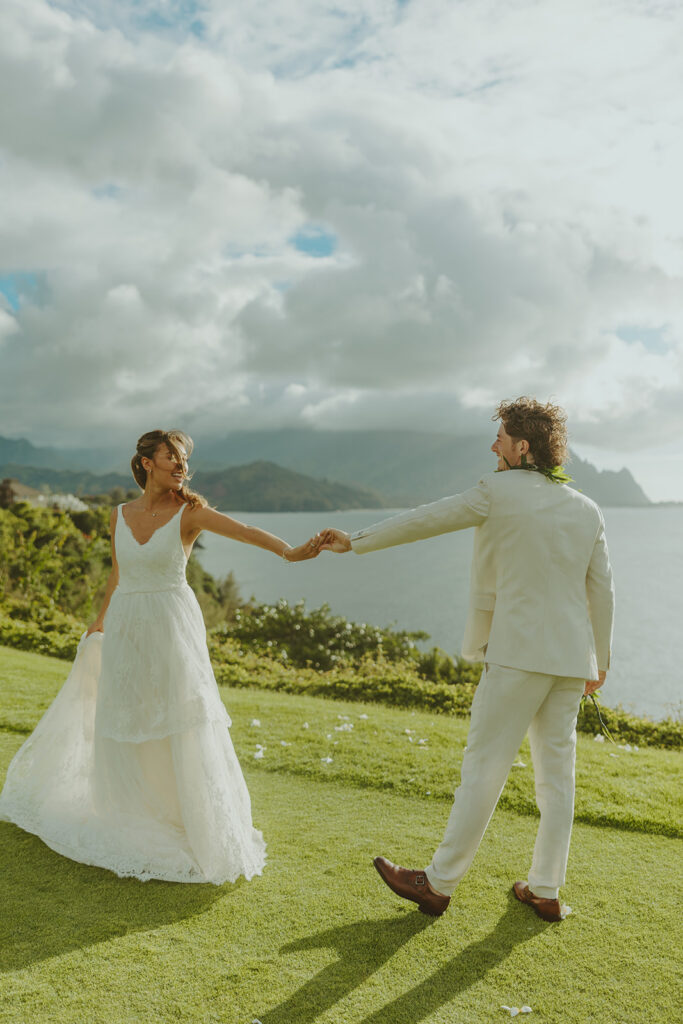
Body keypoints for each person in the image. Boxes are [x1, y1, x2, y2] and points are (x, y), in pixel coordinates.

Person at [318, 398, 614, 922]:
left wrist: (355, 542)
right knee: (557, 779)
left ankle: (437, 884)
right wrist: (601, 661)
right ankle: (545, 890)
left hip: (518, 654)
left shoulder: (495, 491)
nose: (492, 445)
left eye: (500, 436)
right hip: (572, 661)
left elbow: (428, 518)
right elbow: (602, 592)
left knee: (483, 768)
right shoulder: (587, 509)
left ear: (523, 446)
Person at [0, 429, 320, 884]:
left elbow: (245, 531)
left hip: (173, 627)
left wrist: (291, 552)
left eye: (184, 458)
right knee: (128, 711)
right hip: (128, 623)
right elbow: (117, 573)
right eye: (171, 456)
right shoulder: (118, 515)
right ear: (147, 462)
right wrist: (100, 620)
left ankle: (188, 816)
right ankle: (131, 808)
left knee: (178, 715)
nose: (180, 464)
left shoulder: (191, 513)